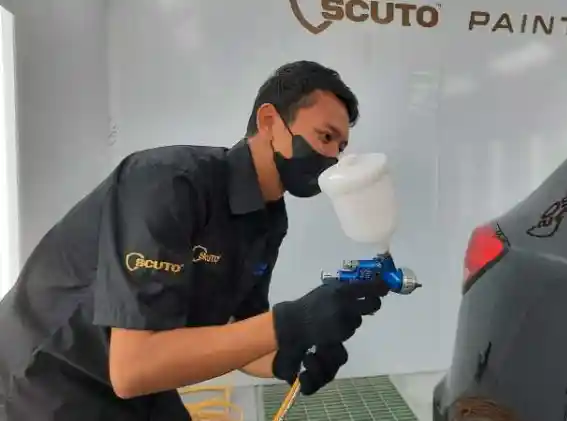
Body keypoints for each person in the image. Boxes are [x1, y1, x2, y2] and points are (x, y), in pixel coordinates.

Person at [0, 60, 388, 421]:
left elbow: (238, 331)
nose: (333, 157)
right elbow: (132, 368)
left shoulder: (270, 220)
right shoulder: (168, 184)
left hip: (144, 386)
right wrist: (291, 321)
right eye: (325, 137)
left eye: (340, 147)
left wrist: (288, 354)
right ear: (270, 121)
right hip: (46, 383)